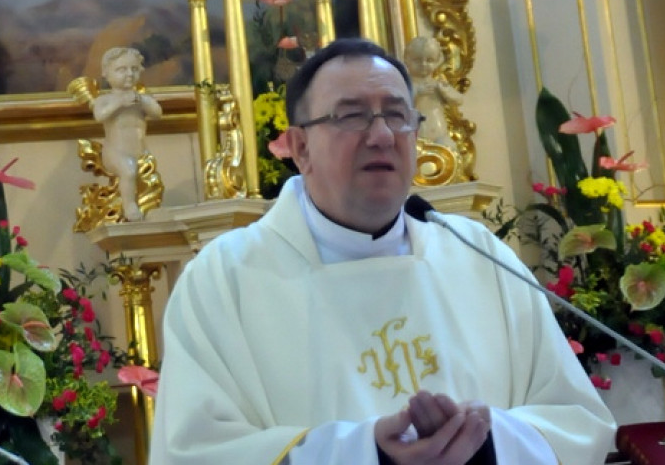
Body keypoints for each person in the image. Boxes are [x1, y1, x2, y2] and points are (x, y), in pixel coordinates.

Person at [150, 37, 615, 465]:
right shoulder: (225, 278)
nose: (381, 135)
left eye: (397, 115)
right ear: (300, 147)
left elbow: (577, 424)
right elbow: (194, 450)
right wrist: (369, 454)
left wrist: (486, 444)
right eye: (350, 115)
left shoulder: (479, 257)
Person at [91, 46, 162, 221]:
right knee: (128, 171)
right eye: (121, 69)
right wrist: (119, 103)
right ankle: (129, 207)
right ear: (106, 73)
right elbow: (100, 116)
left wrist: (144, 102)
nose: (129, 74)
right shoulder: (104, 100)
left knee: (151, 179)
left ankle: (149, 205)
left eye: (134, 69)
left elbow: (157, 113)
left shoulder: (141, 99)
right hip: (116, 151)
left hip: (141, 152)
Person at [404, 35, 459, 147]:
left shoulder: (438, 84)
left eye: (429, 60)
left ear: (438, 61)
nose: (423, 64)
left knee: (449, 153)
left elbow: (458, 100)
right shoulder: (406, 85)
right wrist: (417, 92)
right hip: (415, 136)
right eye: (417, 60)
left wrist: (446, 92)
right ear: (406, 59)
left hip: (440, 133)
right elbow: (400, 104)